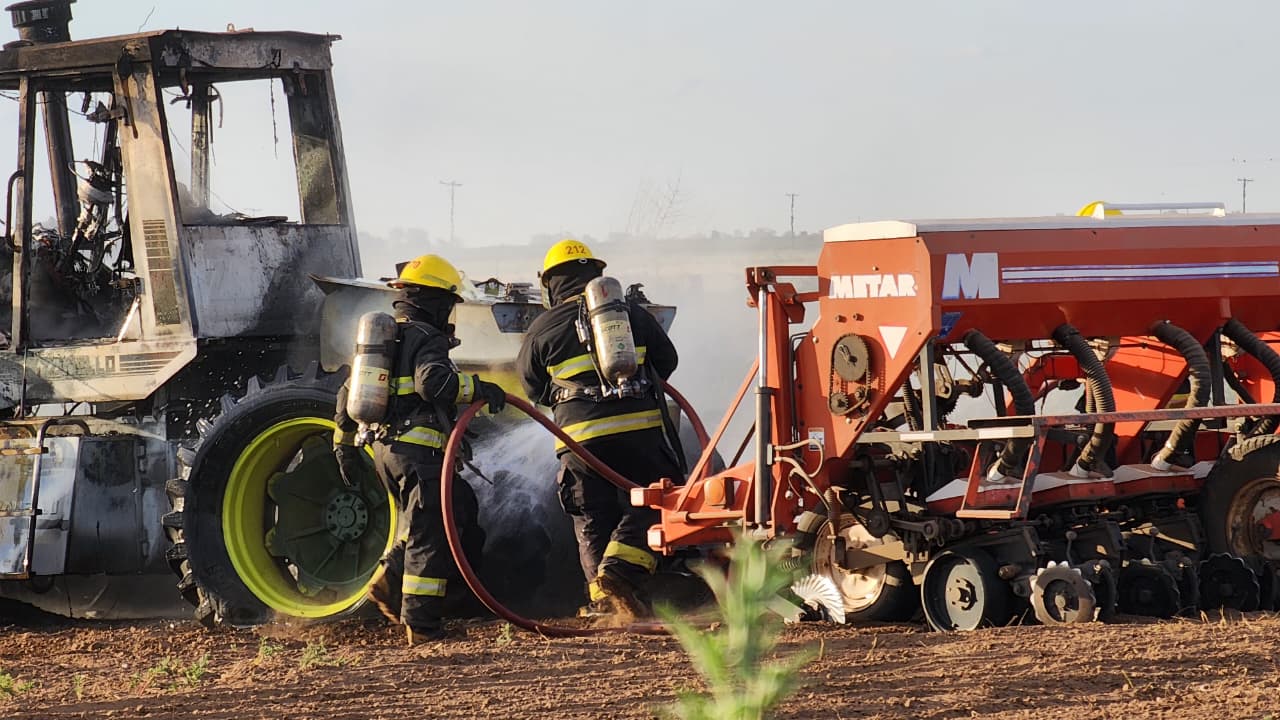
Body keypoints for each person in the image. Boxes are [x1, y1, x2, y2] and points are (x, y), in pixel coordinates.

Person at [332, 254, 508, 644]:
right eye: (450, 304)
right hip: (418, 453)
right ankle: (422, 624)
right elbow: (434, 384)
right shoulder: (427, 339)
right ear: (437, 301)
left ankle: (396, 578)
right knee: (430, 534)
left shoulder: (381, 343)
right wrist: (480, 389)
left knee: (456, 509)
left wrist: (344, 449)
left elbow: (345, 398)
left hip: (385, 452)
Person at [516, 238, 681, 618]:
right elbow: (667, 360)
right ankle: (622, 571)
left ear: (551, 283)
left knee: (591, 514)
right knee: (662, 496)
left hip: (579, 442)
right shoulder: (631, 315)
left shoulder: (541, 328)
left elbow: (533, 389)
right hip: (640, 430)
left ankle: (605, 601)